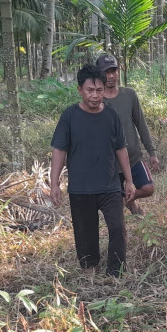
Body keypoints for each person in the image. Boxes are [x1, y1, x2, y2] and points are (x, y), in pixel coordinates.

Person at [50, 65, 136, 277]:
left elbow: (121, 149)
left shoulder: (111, 115)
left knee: (117, 228)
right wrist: (54, 183)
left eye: (99, 90)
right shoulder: (69, 116)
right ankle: (90, 269)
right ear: (80, 90)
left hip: (109, 184)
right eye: (90, 90)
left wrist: (129, 180)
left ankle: (115, 272)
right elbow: (59, 150)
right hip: (80, 187)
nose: (95, 95)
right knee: (85, 233)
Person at [95, 53, 160, 216]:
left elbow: (141, 124)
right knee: (113, 204)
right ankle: (129, 207)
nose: (110, 76)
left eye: (113, 71)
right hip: (110, 162)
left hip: (133, 157)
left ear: (118, 72)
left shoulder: (129, 95)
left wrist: (152, 152)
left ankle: (127, 200)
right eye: (106, 72)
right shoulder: (97, 100)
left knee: (148, 188)